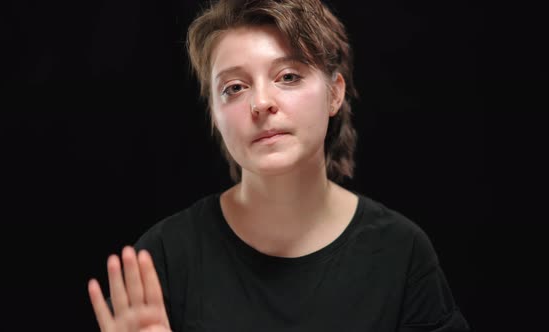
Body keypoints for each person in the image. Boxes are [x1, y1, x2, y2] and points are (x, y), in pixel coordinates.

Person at [87, 0, 470, 331]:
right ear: (215, 115)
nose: (261, 103)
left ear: (335, 93)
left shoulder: (400, 254)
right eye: (234, 87)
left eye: (288, 76)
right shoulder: (162, 261)